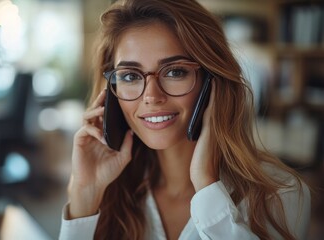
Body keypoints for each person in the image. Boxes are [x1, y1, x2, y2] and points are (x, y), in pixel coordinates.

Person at [59, 0, 311, 239]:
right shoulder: (109, 192)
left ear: (213, 82)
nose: (151, 96)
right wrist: (85, 195)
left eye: (175, 71)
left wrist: (207, 185)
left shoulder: (281, 194)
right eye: (129, 76)